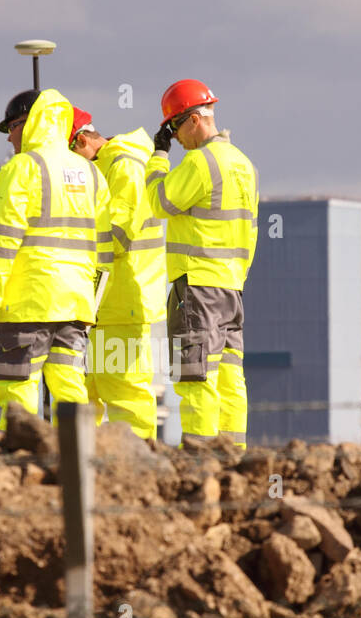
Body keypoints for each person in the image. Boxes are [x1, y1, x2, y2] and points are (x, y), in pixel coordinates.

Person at [0, 89, 111, 430]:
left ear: (31, 122)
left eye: (13, 126)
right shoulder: (91, 173)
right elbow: (104, 251)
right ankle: (79, 461)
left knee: (17, 387)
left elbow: (0, 242)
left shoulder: (21, 168)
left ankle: (20, 466)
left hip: (28, 302)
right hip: (75, 304)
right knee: (70, 385)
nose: (9, 136)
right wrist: (92, 305)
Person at [143, 80, 259, 449]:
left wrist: (158, 158)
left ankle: (201, 457)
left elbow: (159, 202)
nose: (175, 138)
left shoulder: (201, 161)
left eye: (175, 128)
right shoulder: (243, 163)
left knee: (196, 376)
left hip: (197, 285)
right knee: (229, 377)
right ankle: (233, 454)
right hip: (231, 287)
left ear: (194, 119)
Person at [69, 106, 166, 439]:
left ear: (81, 141)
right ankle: (83, 474)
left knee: (125, 394)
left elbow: (118, 236)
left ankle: (139, 472)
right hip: (104, 303)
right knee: (85, 393)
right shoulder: (110, 164)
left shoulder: (122, 165)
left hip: (121, 301)